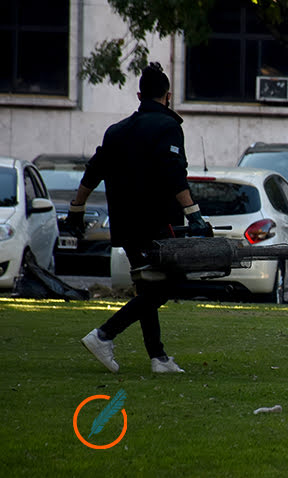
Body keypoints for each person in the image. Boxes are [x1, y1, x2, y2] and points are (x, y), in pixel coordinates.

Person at [67, 62, 210, 374]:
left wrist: (76, 209)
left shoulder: (116, 131)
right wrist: (194, 214)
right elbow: (174, 173)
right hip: (156, 224)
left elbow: (94, 171)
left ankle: (158, 357)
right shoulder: (168, 127)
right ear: (167, 96)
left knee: (148, 285)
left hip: (126, 225)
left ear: (139, 94)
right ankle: (104, 334)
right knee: (167, 285)